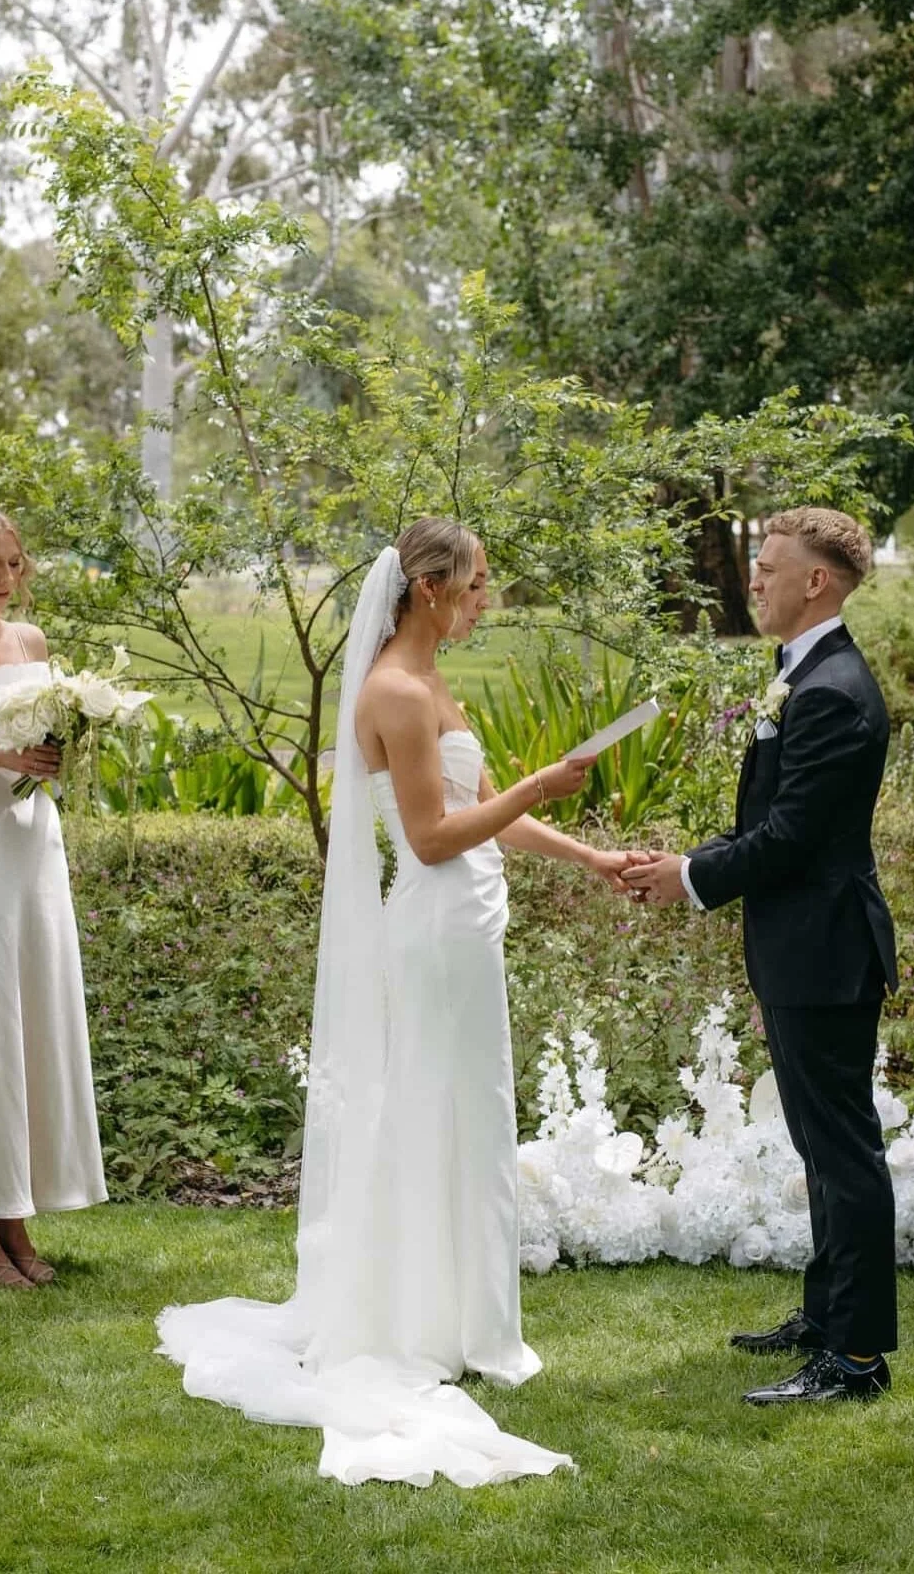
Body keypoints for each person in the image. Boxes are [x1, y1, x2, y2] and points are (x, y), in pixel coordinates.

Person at [157, 519, 631, 1486]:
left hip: (470, 927)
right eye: (478, 585)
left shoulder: (434, 681)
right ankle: (425, 1319)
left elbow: (491, 805)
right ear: (428, 588)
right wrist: (547, 778)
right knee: (435, 1115)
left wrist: (589, 858)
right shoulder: (395, 692)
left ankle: (466, 1315)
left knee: (472, 1115)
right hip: (436, 926)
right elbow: (430, 837)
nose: (486, 600)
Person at [623, 506, 899, 1404]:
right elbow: (774, 828)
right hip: (800, 945)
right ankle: (826, 1316)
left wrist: (688, 876)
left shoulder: (831, 692)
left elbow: (787, 839)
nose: (755, 578)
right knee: (820, 1147)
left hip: (825, 951)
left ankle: (854, 1360)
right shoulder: (806, 675)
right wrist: (691, 861)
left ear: (816, 581)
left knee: (843, 1152)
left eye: (769, 565)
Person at [0, 507, 107, 1289]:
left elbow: (54, 735)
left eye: (12, 564)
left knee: (28, 1021)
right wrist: (1, 754)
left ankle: (14, 1217)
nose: (4, 582)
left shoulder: (30, 645)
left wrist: (64, 752)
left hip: (32, 844)